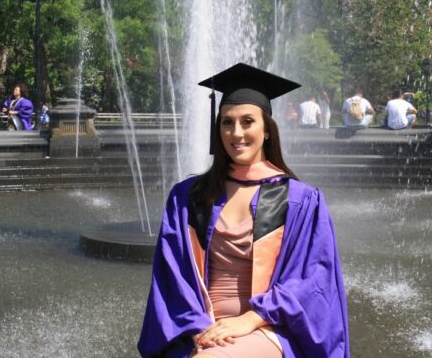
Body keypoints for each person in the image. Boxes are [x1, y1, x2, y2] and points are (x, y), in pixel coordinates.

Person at [137, 63, 349, 358]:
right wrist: (199, 329)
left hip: (269, 327)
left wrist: (247, 320)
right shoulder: (188, 197)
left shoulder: (301, 201)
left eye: (247, 121)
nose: (236, 133)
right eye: (227, 122)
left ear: (267, 132)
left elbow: (312, 281)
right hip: (197, 327)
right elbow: (171, 275)